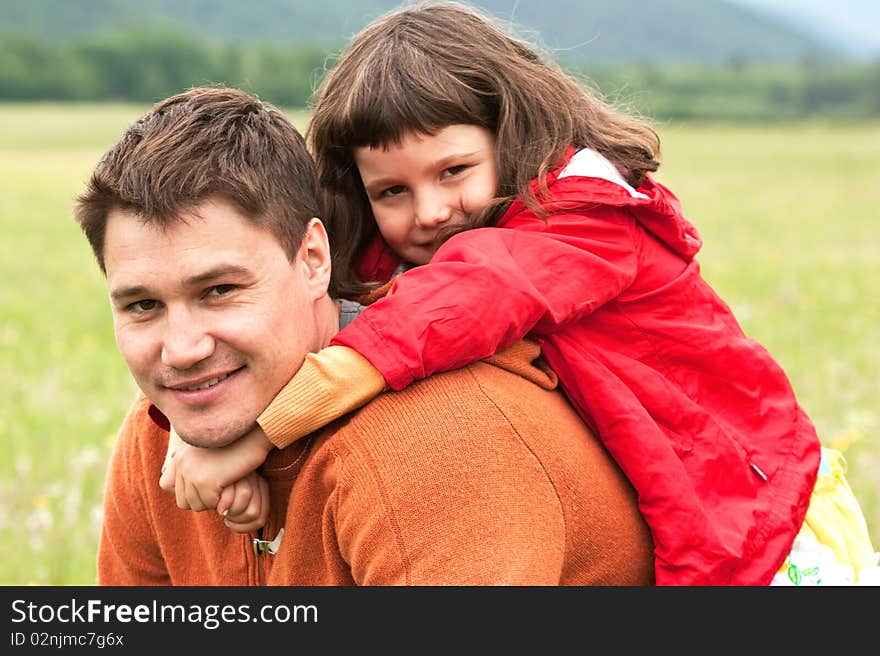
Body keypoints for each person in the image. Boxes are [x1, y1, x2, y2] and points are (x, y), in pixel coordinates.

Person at [159, 1, 835, 586]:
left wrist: (254, 436)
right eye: (392, 190)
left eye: (453, 171)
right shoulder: (395, 246)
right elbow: (296, 319)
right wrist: (199, 433)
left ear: (511, 137)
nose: (428, 211)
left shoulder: (583, 220)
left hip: (755, 507)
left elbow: (453, 306)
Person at [76, 85, 655, 585]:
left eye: (220, 291)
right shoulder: (166, 433)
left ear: (313, 259)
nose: (181, 350)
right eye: (143, 305)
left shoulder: (433, 445)